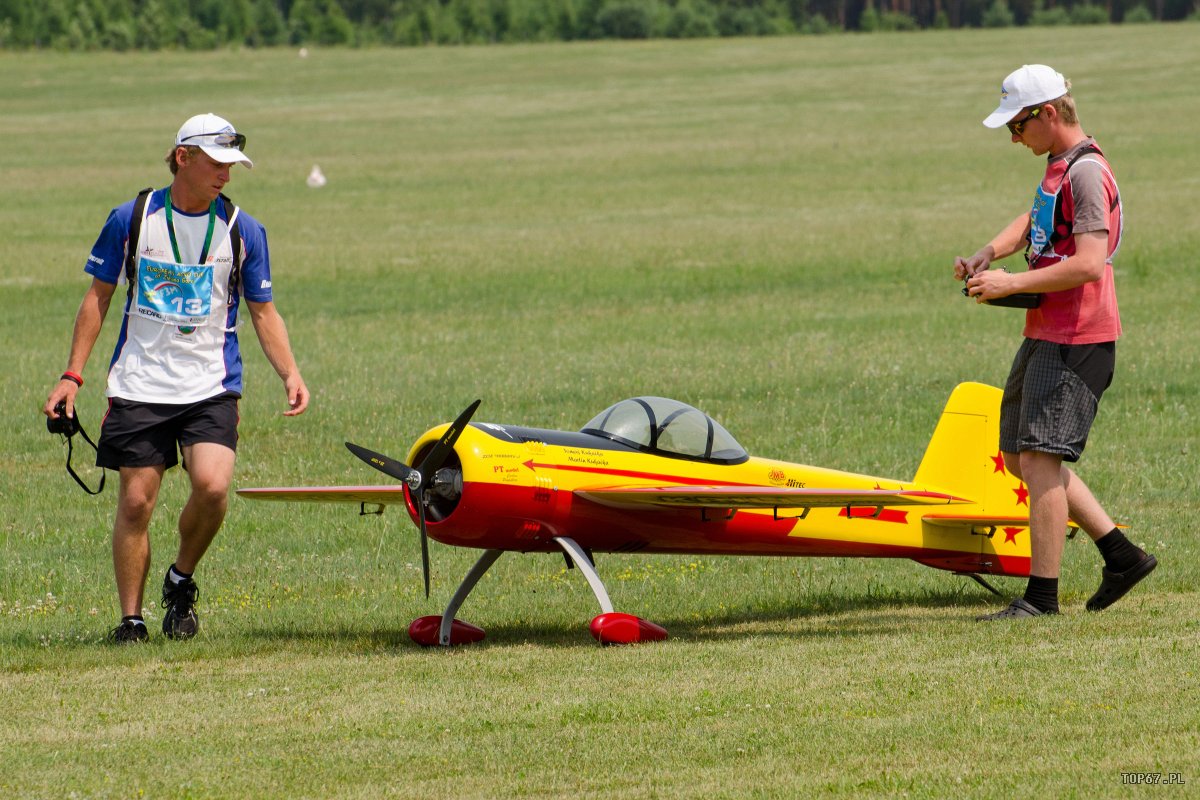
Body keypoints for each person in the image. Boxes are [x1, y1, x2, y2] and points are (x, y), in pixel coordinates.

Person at [44, 113, 310, 643]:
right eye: (217, 163)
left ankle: (180, 577)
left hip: (211, 383)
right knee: (137, 502)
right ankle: (132, 620)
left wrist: (290, 372)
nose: (226, 176)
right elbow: (98, 299)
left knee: (212, 487)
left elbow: (263, 311)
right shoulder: (133, 218)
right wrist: (72, 376)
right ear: (183, 158)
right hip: (140, 382)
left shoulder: (242, 229)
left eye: (232, 166)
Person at [955, 65, 1156, 620]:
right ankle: (1121, 554)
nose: (1014, 139)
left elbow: (1090, 263)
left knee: (1041, 460)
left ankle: (1040, 599)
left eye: (1017, 127)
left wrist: (1011, 282)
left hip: (1077, 337)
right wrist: (988, 255)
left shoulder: (1088, 173)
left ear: (1048, 113)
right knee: (1021, 458)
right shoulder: (1058, 166)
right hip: (1048, 330)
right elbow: (1035, 219)